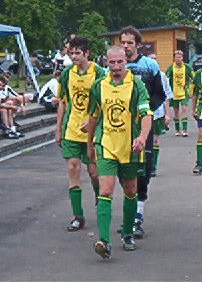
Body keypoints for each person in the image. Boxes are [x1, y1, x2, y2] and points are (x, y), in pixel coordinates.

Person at [87, 45, 152, 259]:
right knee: (105, 190)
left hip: (130, 147)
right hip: (105, 144)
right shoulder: (99, 86)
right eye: (112, 62)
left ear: (126, 61)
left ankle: (127, 233)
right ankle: (104, 241)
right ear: (106, 62)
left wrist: (142, 137)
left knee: (131, 191)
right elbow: (93, 116)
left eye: (119, 62)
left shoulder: (136, 84)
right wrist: (89, 144)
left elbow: (146, 113)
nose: (116, 66)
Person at [56, 36, 106, 232]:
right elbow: (62, 102)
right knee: (73, 168)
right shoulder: (67, 74)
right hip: (71, 130)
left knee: (94, 172)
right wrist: (58, 129)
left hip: (92, 133)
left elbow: (104, 102)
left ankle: (99, 196)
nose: (74, 56)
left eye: (78, 53)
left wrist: (93, 121)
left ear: (87, 53)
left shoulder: (99, 73)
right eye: (71, 53)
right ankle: (78, 216)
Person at [120, 26, 166, 239]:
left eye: (129, 42)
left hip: (143, 126)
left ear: (138, 44)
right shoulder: (115, 66)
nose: (126, 46)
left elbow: (160, 94)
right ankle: (129, 215)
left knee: (143, 169)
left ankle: (138, 215)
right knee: (124, 170)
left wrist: (146, 111)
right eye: (123, 42)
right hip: (120, 127)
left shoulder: (150, 65)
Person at [148, 54, 172, 177]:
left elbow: (167, 95)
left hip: (158, 113)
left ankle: (153, 166)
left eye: (155, 60)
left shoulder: (162, 76)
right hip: (145, 113)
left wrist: (167, 114)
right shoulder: (142, 75)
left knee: (155, 140)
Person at [166, 50, 194, 137]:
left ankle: (185, 130)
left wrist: (191, 88)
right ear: (174, 58)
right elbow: (166, 79)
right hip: (174, 93)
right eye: (176, 57)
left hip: (184, 92)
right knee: (176, 111)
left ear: (182, 58)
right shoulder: (171, 68)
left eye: (180, 57)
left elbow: (193, 77)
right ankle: (177, 130)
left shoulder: (187, 67)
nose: (178, 59)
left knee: (184, 109)